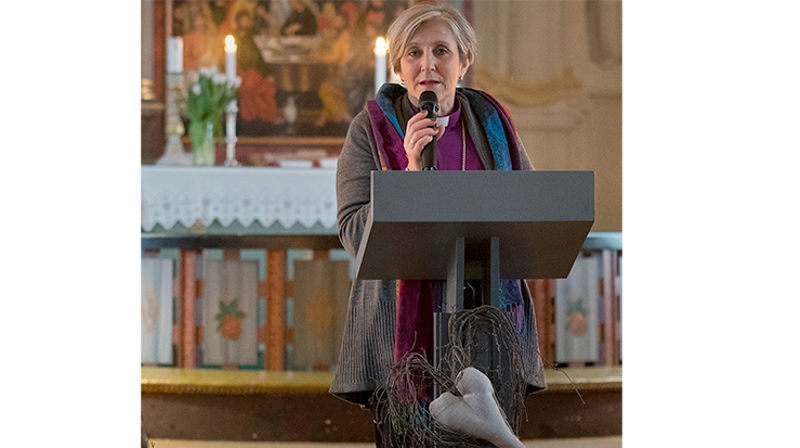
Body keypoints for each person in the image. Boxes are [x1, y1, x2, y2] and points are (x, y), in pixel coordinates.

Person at [329, 3, 546, 445]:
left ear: (463, 62)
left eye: (441, 50)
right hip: (398, 328)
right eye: (413, 53)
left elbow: (531, 213)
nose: (427, 64)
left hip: (488, 324)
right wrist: (410, 173)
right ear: (398, 66)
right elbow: (354, 230)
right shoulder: (368, 131)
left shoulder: (495, 128)